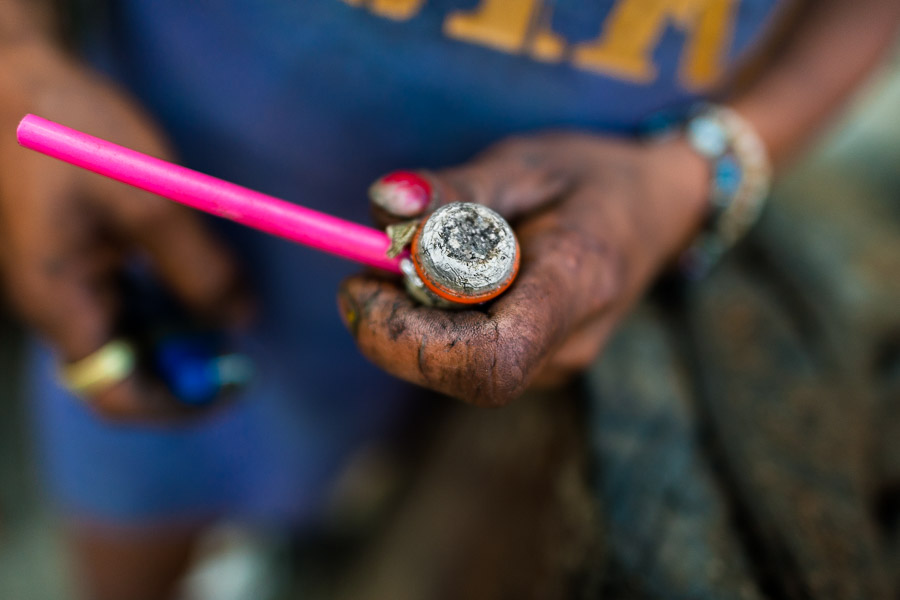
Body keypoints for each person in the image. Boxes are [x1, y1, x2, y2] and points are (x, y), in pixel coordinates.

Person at [0, 1, 898, 599]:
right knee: (129, 528)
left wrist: (697, 169)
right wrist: (16, 53)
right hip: (148, 225)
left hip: (549, 302)